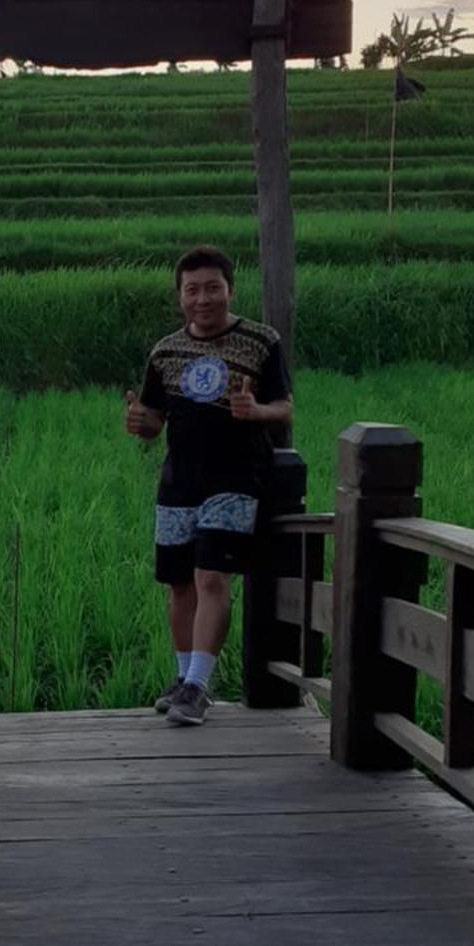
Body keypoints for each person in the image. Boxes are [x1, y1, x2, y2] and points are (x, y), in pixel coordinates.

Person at [124, 246, 293, 727]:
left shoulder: (261, 342)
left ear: (229, 289)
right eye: (192, 290)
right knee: (179, 585)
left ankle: (199, 685)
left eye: (212, 288)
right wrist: (140, 421)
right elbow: (156, 419)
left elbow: (283, 406)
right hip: (179, 480)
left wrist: (255, 411)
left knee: (212, 578)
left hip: (237, 479)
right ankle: (183, 678)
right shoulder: (165, 351)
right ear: (180, 296)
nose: (203, 299)